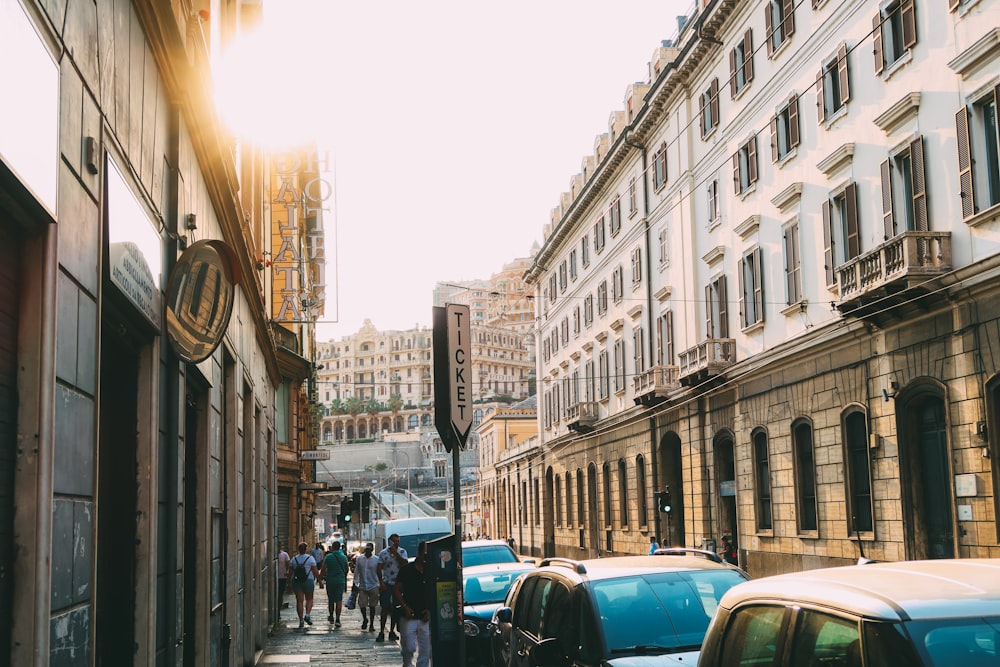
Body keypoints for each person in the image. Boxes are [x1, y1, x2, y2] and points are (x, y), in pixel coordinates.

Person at [393, 540, 431, 667]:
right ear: (419, 553)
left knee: (425, 649)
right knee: (408, 647)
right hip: (409, 614)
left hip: (425, 616)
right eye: (424, 554)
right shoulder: (407, 570)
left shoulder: (430, 571)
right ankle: (407, 664)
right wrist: (404, 606)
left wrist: (430, 610)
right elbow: (396, 589)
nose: (425, 558)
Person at [376, 533, 408, 642]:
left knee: (396, 608)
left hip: (398, 584)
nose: (396, 543)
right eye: (394, 541)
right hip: (387, 582)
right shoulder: (383, 553)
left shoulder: (403, 552)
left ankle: (391, 631)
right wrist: (381, 582)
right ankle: (381, 631)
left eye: (398, 541)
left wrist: (396, 554)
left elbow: (405, 564)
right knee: (385, 607)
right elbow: (379, 567)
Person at [289, 541, 321, 628]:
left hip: (297, 582)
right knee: (309, 599)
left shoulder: (294, 559)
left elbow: (290, 572)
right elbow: (315, 571)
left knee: (299, 601)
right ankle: (307, 615)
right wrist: (320, 581)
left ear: (298, 549)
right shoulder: (310, 558)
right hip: (308, 580)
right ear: (306, 549)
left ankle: (301, 620)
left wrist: (289, 583)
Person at [353, 542, 380, 631]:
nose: (367, 551)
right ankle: (365, 618)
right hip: (363, 585)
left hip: (373, 585)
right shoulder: (360, 559)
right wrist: (355, 582)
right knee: (362, 604)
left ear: (372, 550)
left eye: (369, 549)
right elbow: (357, 571)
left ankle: (371, 624)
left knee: (372, 606)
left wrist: (380, 584)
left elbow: (380, 572)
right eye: (366, 549)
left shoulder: (376, 559)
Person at [323, 540, 349, 627]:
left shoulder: (328, 557)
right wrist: (343, 576)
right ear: (340, 547)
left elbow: (323, 569)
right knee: (339, 600)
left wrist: (320, 579)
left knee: (331, 600)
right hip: (340, 581)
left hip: (330, 581)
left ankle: (331, 616)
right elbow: (346, 569)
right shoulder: (343, 557)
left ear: (332, 547)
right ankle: (338, 619)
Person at [277, 544, 291, 613]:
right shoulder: (274, 555)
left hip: (282, 577)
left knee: (280, 593)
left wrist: (288, 572)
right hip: (275, 578)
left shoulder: (284, 554)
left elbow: (289, 564)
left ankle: (278, 609)